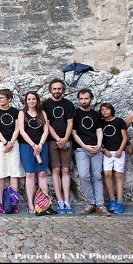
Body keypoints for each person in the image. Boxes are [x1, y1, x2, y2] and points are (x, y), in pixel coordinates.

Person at [72, 88, 110, 216]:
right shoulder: (75, 114)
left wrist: (99, 145)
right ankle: (90, 203)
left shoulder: (96, 115)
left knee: (97, 176)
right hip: (81, 149)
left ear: (91, 99)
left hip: (96, 149)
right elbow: (74, 133)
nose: (83, 101)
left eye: (86, 98)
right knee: (83, 175)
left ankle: (100, 205)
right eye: (81, 99)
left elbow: (99, 130)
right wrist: (84, 146)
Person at [42, 78, 76, 214]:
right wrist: (57, 139)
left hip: (66, 139)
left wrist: (65, 138)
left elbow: (70, 123)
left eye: (59, 89)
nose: (57, 91)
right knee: (55, 170)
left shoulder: (68, 104)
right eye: (55, 89)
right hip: (52, 141)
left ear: (63, 90)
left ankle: (67, 200)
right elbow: (47, 124)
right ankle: (60, 200)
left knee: (66, 170)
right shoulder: (45, 105)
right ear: (51, 90)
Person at [0, 88, 24, 214]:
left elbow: (17, 128)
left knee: (14, 173)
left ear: (9, 99)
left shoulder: (15, 111)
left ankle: (13, 201)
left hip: (13, 143)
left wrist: (11, 142)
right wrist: (5, 142)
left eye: (1, 98)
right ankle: (1, 201)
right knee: (0, 174)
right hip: (0, 144)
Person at [18, 91, 49, 214]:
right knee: (30, 174)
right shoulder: (22, 113)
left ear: (37, 100)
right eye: (29, 99)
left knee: (41, 174)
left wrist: (40, 145)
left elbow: (46, 130)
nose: (31, 101)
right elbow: (22, 131)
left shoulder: (42, 113)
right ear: (26, 101)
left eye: (34, 99)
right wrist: (33, 145)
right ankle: (31, 204)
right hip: (27, 146)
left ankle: (43, 203)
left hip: (42, 146)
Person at [100, 103, 128, 214]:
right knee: (107, 173)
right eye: (102, 110)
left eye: (107, 109)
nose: (105, 112)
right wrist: (104, 148)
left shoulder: (119, 121)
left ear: (112, 110)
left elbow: (125, 137)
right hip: (107, 152)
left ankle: (120, 201)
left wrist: (121, 150)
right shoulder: (101, 123)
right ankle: (112, 199)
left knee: (119, 175)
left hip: (119, 151)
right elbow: (99, 137)